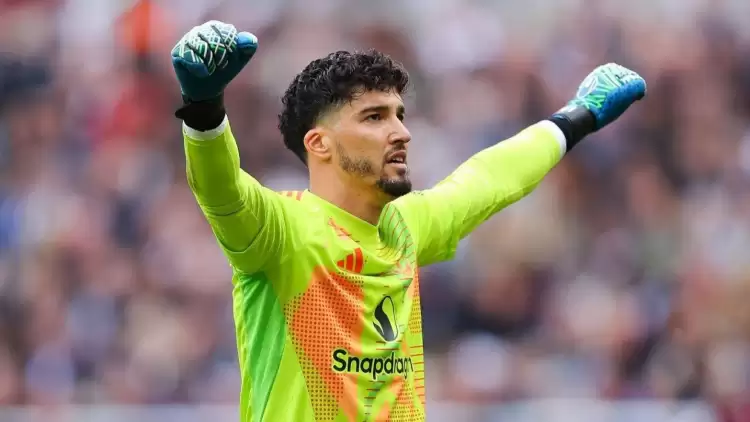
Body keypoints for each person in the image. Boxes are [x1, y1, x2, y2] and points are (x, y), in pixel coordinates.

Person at [171, 21, 646, 422]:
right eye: (374, 118)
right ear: (320, 144)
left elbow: (489, 180)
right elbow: (220, 189)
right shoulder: (282, 230)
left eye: (399, 115)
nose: (401, 132)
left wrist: (576, 116)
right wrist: (204, 107)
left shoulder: (405, 226)